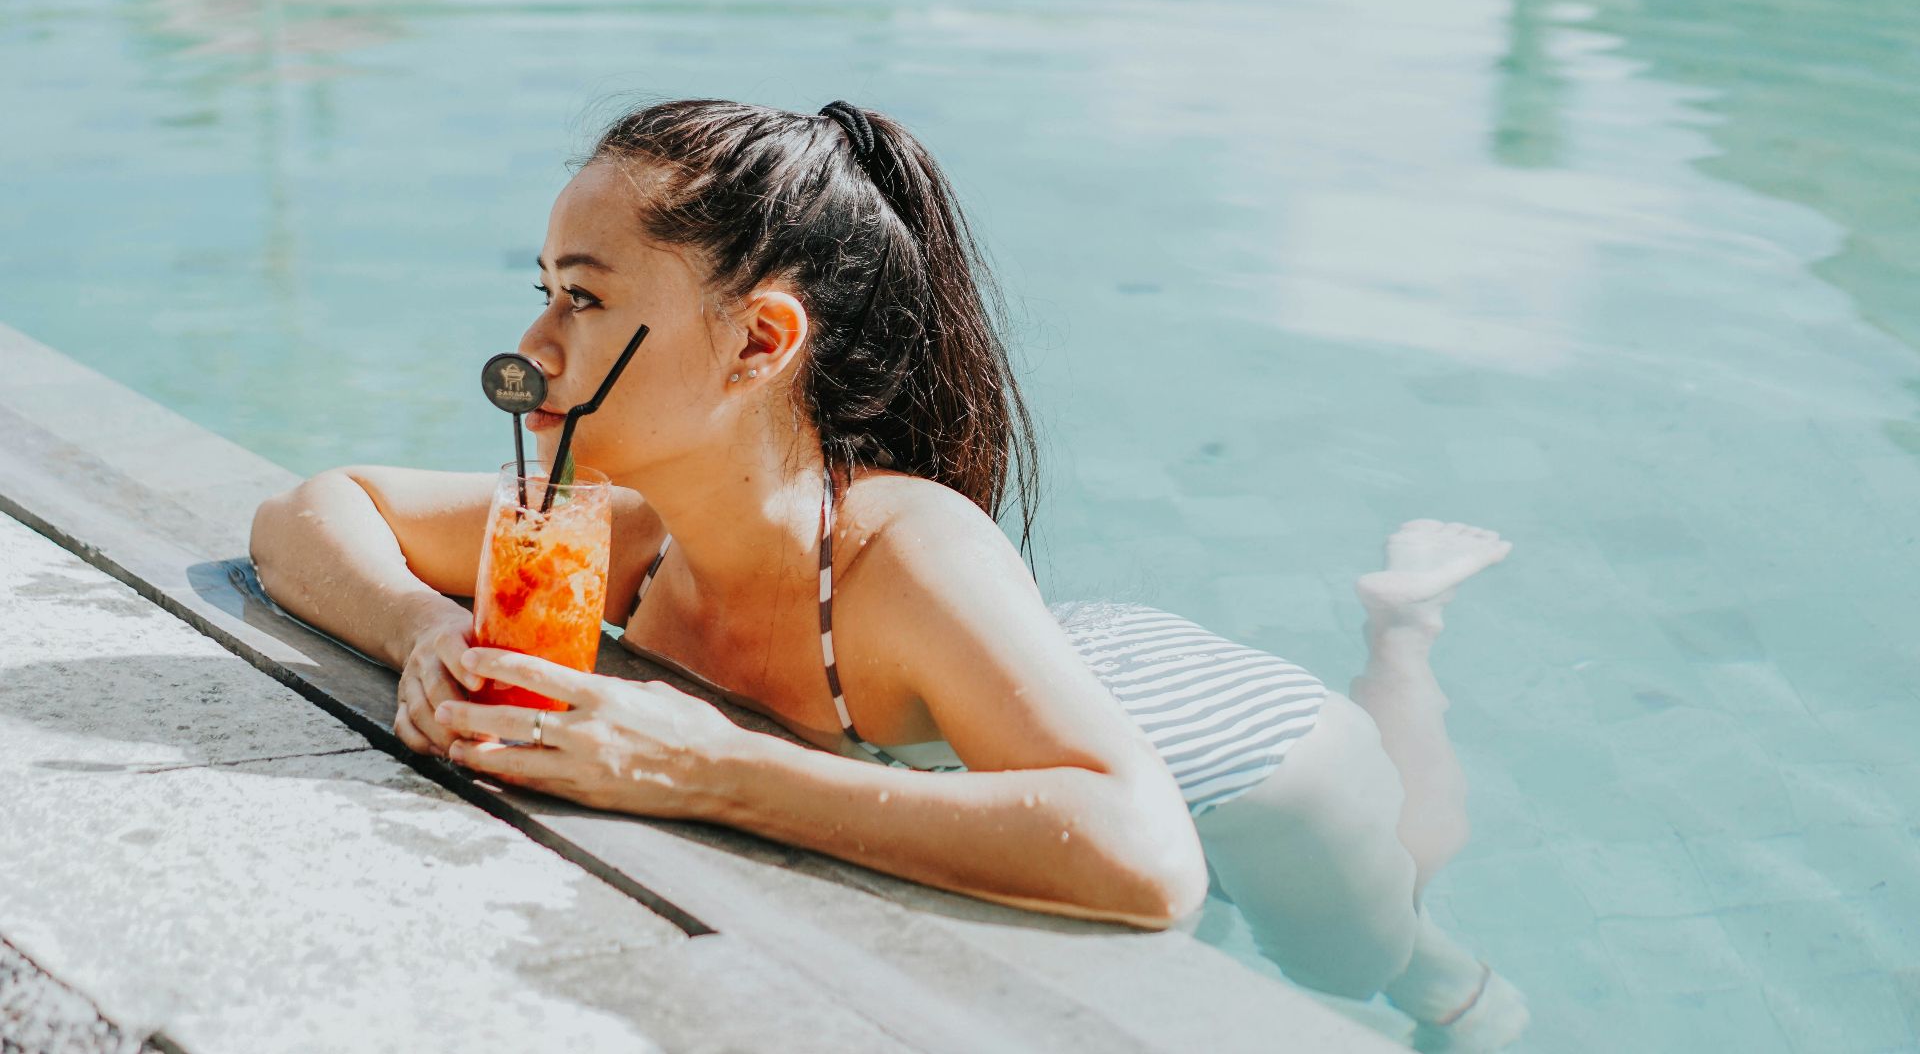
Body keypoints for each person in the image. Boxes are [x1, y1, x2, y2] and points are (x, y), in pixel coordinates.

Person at [250, 98, 1528, 1050]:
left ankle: (1400, 641)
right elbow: (315, 512)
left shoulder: (903, 551)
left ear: (757, 341)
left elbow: (1149, 860)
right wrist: (423, 630)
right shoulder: (616, 537)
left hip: (1241, 749)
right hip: (1029, 676)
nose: (529, 344)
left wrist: (708, 769)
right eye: (542, 291)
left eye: (581, 301)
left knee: (1378, 962)